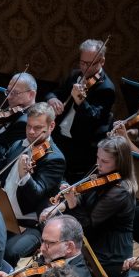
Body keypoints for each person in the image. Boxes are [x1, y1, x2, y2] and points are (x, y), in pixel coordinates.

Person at [42, 135, 136, 277]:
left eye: (105, 161)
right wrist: (56, 207)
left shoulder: (120, 192)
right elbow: (82, 198)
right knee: (47, 258)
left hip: (108, 255)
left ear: (120, 164)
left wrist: (72, 203)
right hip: (90, 240)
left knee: (58, 276)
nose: (98, 164)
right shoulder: (101, 175)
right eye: (98, 157)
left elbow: (87, 224)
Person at [0, 100, 67, 266]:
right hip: (2, 215)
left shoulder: (54, 158)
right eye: (28, 126)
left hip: (28, 224)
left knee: (8, 252)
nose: (31, 132)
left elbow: (36, 196)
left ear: (51, 126)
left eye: (37, 128)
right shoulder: (19, 145)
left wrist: (25, 177)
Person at [44, 38, 117, 181]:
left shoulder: (106, 88)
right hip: (59, 134)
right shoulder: (75, 75)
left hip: (79, 145)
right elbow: (54, 92)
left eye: (90, 64)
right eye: (82, 62)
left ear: (102, 61)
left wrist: (80, 101)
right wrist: (52, 99)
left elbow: (94, 119)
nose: (85, 68)